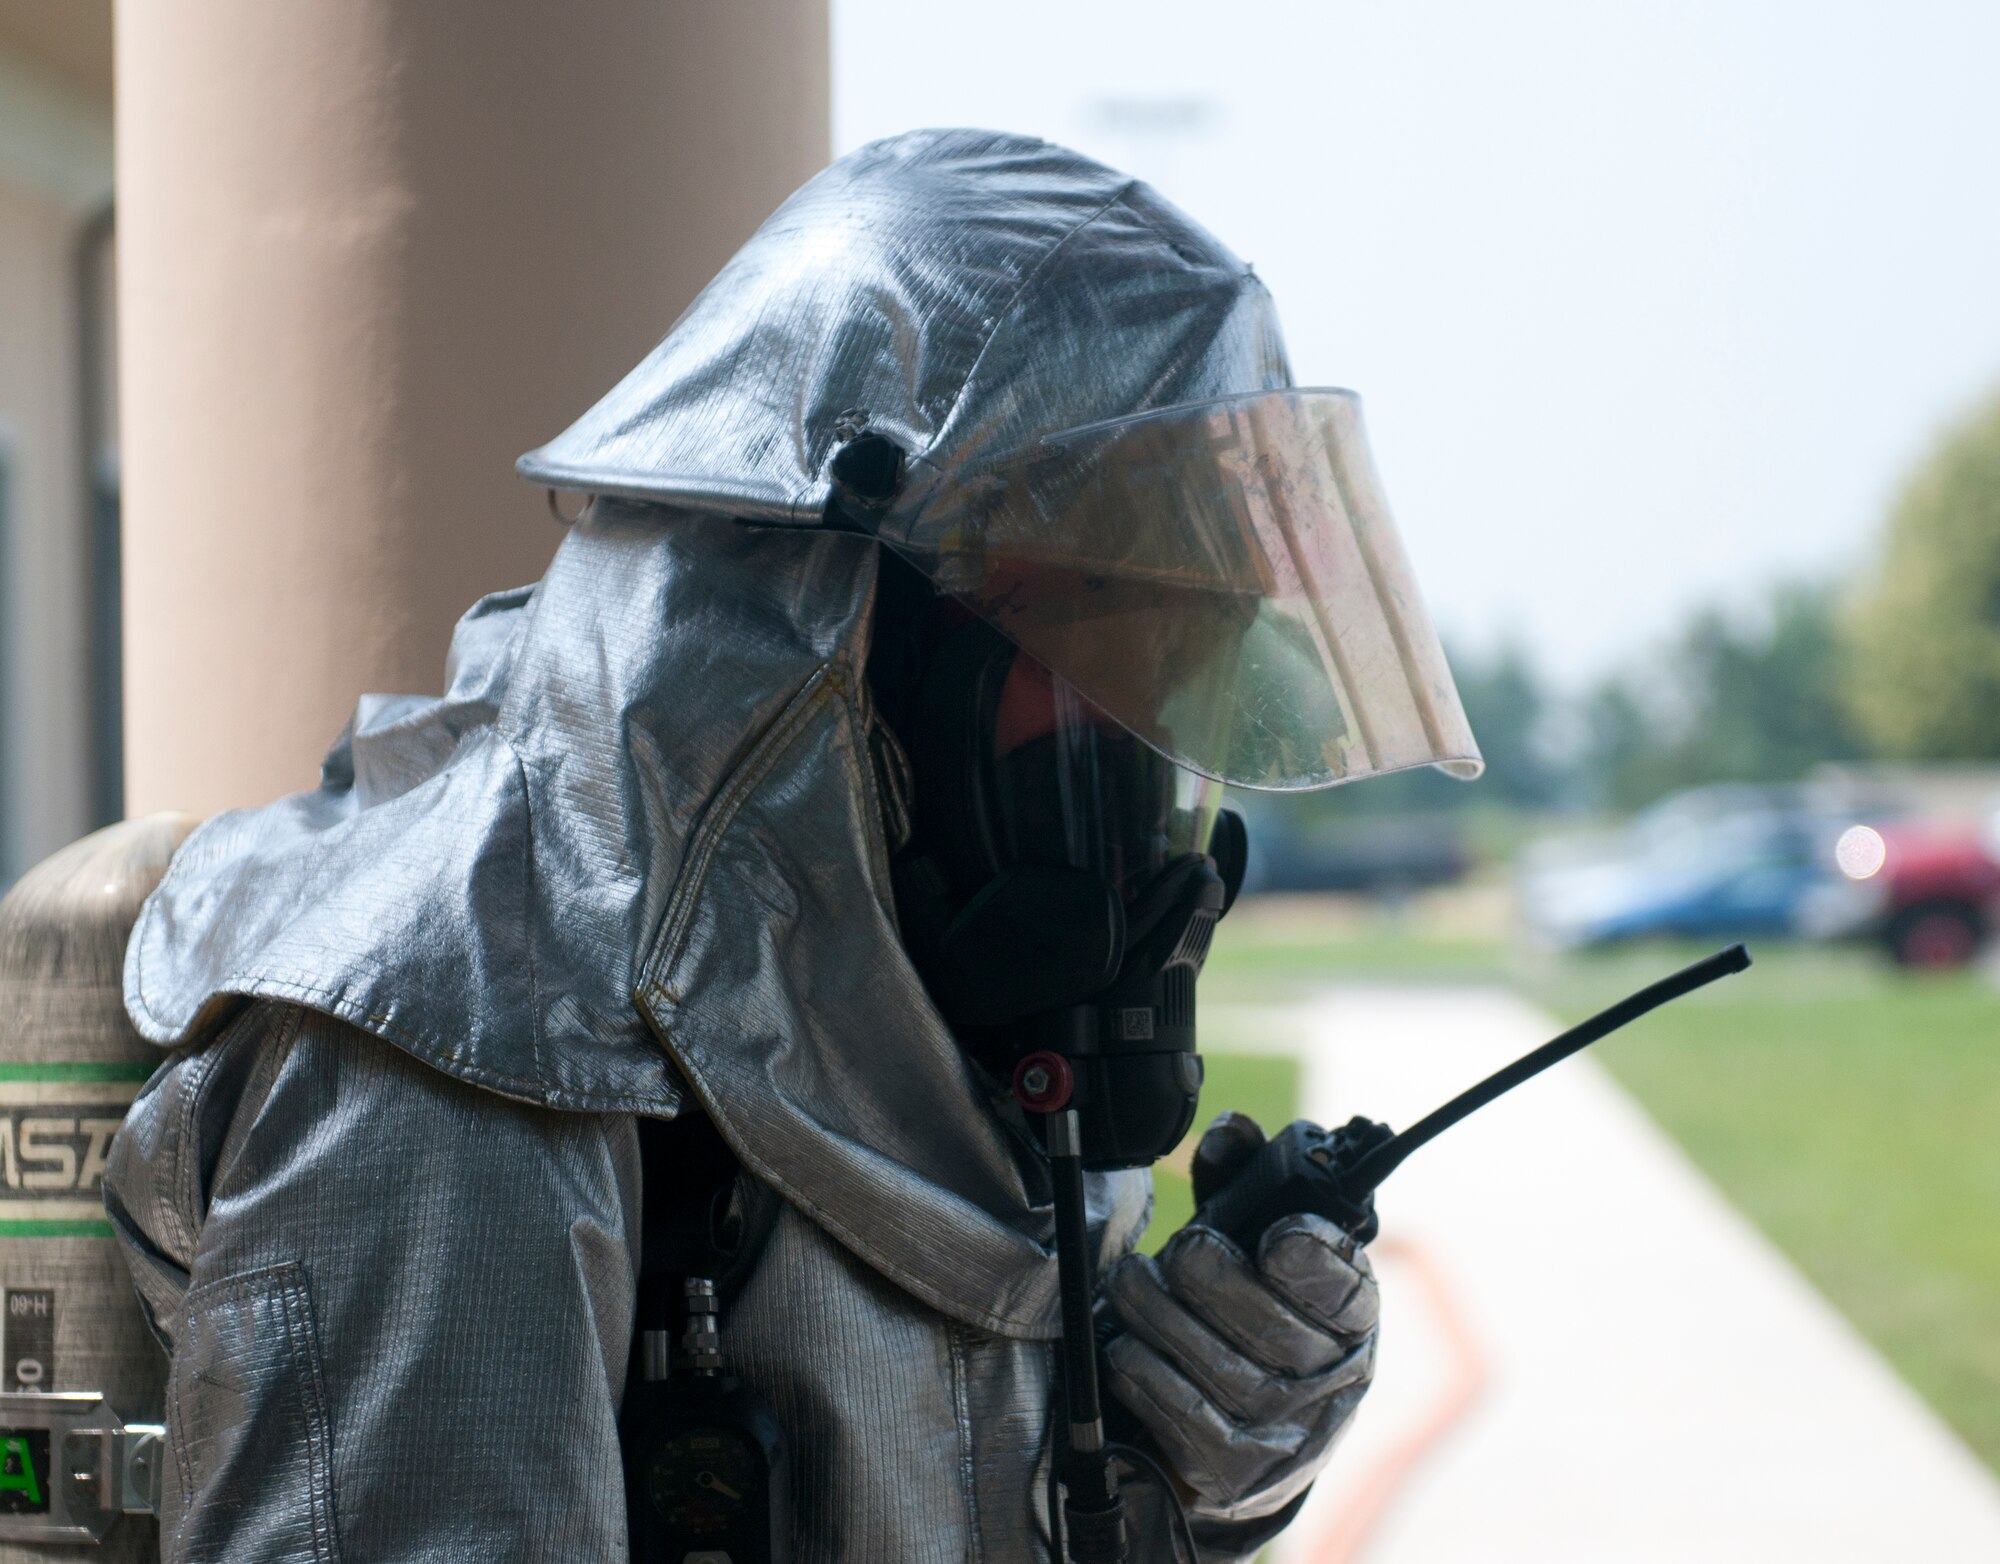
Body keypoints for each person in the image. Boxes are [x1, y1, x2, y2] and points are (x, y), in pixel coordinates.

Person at [105, 129, 1480, 1561]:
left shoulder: (925, 1005)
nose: (1134, 756)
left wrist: (1188, 1468)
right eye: (1100, 652)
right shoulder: (460, 1074)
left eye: (1176, 679)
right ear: (841, 631)